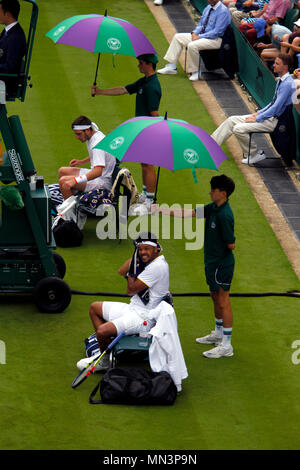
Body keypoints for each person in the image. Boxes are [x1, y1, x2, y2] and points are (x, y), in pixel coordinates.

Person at [151, 174, 236, 358]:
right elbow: (188, 213)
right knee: (214, 297)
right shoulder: (214, 207)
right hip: (211, 263)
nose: (210, 192)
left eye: (213, 190)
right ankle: (218, 333)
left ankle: (227, 345)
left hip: (222, 265)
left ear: (223, 193)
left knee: (223, 301)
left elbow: (231, 244)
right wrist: (161, 210)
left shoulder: (224, 215)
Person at [77, 232, 170, 371]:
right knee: (94, 308)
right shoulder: (149, 261)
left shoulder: (157, 267)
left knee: (102, 332)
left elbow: (130, 290)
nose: (143, 252)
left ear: (156, 249)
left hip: (143, 318)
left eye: (147, 249)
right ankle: (108, 353)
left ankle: (104, 360)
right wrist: (135, 256)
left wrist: (133, 271)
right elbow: (121, 271)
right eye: (140, 249)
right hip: (132, 309)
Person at [91, 54, 161, 209]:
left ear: (149, 64)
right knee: (144, 164)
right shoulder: (144, 81)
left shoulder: (152, 87)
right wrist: (100, 91)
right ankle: (145, 195)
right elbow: (123, 90)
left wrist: (155, 134)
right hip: (141, 129)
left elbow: (154, 114)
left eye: (141, 63)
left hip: (147, 130)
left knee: (148, 165)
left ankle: (150, 201)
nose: (138, 66)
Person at [211, 53, 294, 164]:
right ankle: (210, 146)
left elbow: (276, 107)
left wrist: (258, 118)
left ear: (285, 67)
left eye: (277, 63)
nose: (273, 65)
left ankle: (255, 154)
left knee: (238, 129)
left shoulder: (287, 84)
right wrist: (258, 113)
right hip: (269, 117)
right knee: (231, 120)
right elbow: (272, 103)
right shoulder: (281, 80)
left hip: (275, 121)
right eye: (275, 63)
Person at [157, 0, 231, 81]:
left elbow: (217, 32)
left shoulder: (223, 11)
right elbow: (201, 24)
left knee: (192, 45)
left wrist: (200, 37)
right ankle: (171, 67)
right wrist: (194, 33)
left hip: (217, 40)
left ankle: (195, 72)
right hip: (203, 36)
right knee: (178, 37)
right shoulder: (208, 7)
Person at [58, 115, 116, 200]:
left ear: (87, 130)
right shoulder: (93, 135)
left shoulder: (96, 143)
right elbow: (97, 156)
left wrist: (76, 180)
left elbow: (98, 172)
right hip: (97, 176)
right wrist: (81, 162)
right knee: (62, 171)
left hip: (103, 183)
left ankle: (72, 212)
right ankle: (74, 197)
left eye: (79, 134)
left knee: (64, 182)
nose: (77, 138)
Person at [0, 0, 26, 96]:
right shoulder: (8, 31)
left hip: (6, 84)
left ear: (7, 14)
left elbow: (9, 67)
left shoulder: (16, 37)